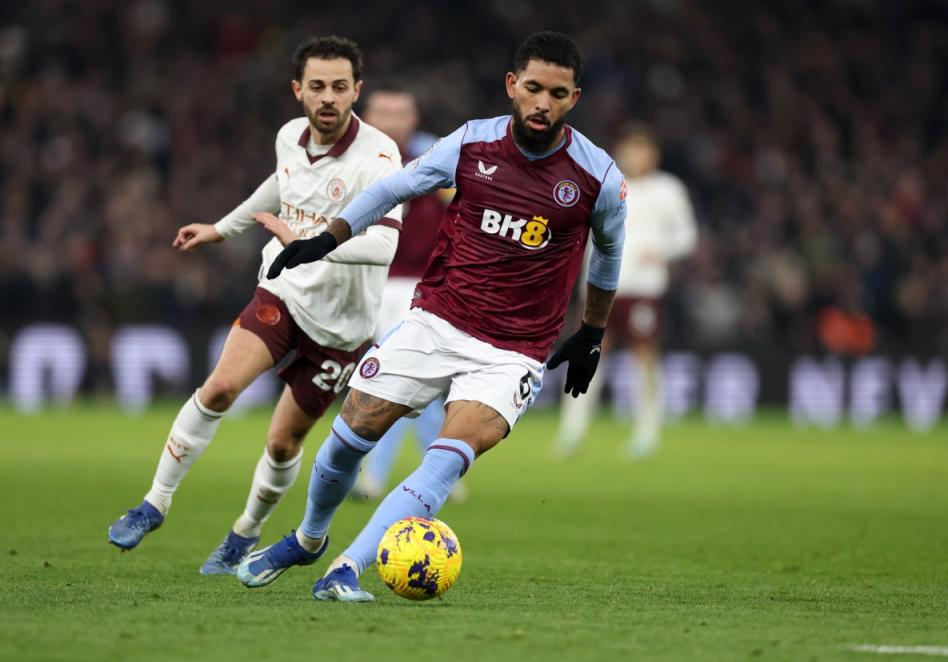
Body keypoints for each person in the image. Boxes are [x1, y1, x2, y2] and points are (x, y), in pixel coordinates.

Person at [236, 31, 627, 602]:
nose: (544, 103)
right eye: (535, 88)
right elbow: (396, 186)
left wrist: (592, 332)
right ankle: (310, 536)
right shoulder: (472, 143)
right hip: (435, 321)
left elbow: (609, 254)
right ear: (513, 86)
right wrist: (327, 238)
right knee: (348, 439)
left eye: (559, 94)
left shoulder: (598, 178)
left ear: (575, 98)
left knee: (445, 461)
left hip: (513, 351)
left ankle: (345, 567)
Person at [107, 36, 405, 576]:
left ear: (357, 90)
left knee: (283, 441)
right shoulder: (289, 137)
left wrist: (309, 244)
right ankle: (154, 502)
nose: (329, 98)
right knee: (218, 387)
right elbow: (279, 186)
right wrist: (223, 228)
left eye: (340, 87)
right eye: (317, 86)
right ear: (298, 90)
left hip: (341, 328)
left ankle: (245, 532)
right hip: (283, 290)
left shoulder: (380, 156)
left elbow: (385, 245)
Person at [554, 123, 697, 458]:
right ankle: (571, 431)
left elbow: (687, 236)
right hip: (601, 287)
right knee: (588, 354)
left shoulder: (667, 189)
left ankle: (647, 433)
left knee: (644, 358)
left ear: (653, 154)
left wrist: (660, 250)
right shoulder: (604, 184)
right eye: (630, 149)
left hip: (643, 287)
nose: (635, 156)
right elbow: (587, 238)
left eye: (642, 149)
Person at [351, 85, 464, 502]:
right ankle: (444, 471)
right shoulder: (355, 160)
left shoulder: (436, 162)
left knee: (396, 378)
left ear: (413, 119)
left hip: (419, 285)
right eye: (384, 111)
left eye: (400, 112)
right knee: (412, 384)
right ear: (367, 115)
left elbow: (466, 209)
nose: (393, 120)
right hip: (367, 280)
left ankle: (375, 477)